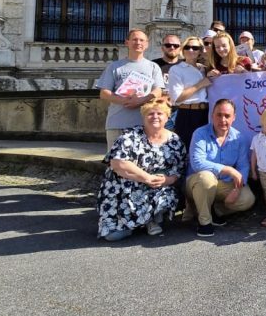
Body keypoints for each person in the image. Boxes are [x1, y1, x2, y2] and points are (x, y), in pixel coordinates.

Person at [96, 99, 185, 241]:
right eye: (150, 114)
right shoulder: (130, 135)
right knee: (111, 236)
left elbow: (179, 169)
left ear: (167, 117)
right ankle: (135, 224)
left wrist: (168, 180)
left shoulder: (174, 140)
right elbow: (117, 163)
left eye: (159, 113)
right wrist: (146, 178)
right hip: (126, 186)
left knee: (168, 194)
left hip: (158, 186)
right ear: (143, 117)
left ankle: (152, 219)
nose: (155, 117)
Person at [185, 99, 256, 237]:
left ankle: (214, 210)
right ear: (212, 115)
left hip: (223, 184)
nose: (223, 119)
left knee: (247, 199)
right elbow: (197, 163)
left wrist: (238, 188)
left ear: (234, 117)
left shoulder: (240, 138)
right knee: (206, 177)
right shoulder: (200, 133)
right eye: (219, 115)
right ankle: (204, 222)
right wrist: (228, 169)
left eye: (227, 116)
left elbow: (243, 166)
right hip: (196, 183)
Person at [97, 29, 165, 147]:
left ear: (147, 44)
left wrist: (140, 101)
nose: (138, 43)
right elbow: (104, 93)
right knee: (115, 163)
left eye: (141, 40)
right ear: (127, 43)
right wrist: (126, 101)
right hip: (117, 124)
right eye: (134, 39)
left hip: (145, 125)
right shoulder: (114, 66)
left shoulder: (153, 67)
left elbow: (158, 91)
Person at [166, 36, 210, 166]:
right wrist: (200, 84)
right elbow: (176, 98)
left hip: (206, 113)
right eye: (187, 47)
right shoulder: (176, 69)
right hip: (187, 114)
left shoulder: (204, 68)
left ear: (200, 51)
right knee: (185, 152)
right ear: (183, 50)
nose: (191, 50)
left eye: (195, 48)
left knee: (204, 151)